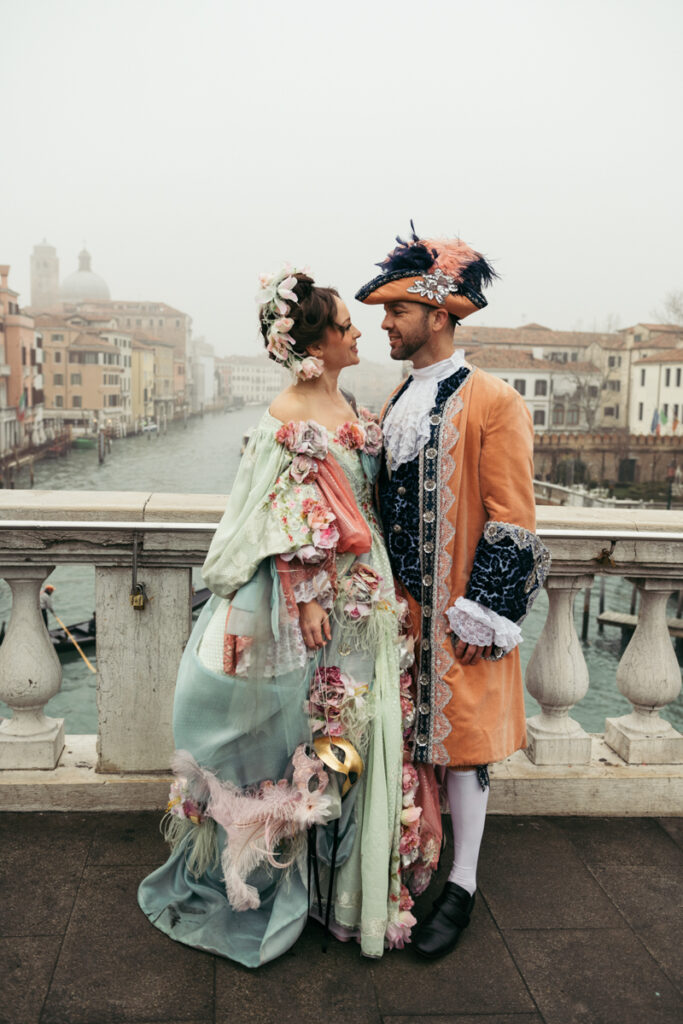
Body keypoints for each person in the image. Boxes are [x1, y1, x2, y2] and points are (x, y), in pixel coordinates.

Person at [138, 267, 439, 968]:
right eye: (344, 325)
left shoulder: (345, 399)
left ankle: (343, 891)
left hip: (369, 590)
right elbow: (279, 513)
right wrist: (305, 596)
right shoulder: (287, 417)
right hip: (326, 602)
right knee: (322, 727)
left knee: (354, 726)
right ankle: (299, 885)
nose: (358, 331)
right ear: (314, 342)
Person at [355, 226, 551, 959]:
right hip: (400, 613)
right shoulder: (399, 394)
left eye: (396, 311)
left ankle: (461, 887)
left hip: (461, 613)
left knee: (465, 750)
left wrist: (488, 609)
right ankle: (415, 861)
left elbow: (513, 517)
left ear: (437, 315)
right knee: (410, 742)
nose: (384, 323)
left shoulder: (494, 400)